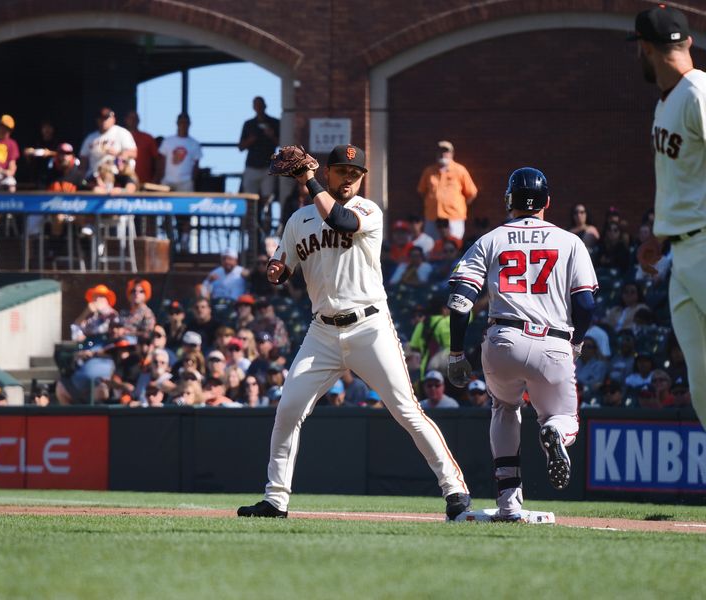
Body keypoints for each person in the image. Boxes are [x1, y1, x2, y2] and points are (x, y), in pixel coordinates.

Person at [237, 144, 470, 520]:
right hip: (321, 332)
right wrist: (276, 270)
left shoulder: (367, 210)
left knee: (407, 410)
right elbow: (282, 264)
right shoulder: (298, 220)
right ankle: (276, 499)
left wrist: (309, 181)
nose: (348, 178)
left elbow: (340, 222)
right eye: (341, 170)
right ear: (328, 172)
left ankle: (455, 489)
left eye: (355, 173)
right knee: (288, 408)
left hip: (369, 326)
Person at [446, 167, 597, 521]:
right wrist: (577, 342)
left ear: (509, 201)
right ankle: (554, 431)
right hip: (553, 341)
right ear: (547, 202)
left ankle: (509, 503)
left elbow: (460, 301)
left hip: (503, 339)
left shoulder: (491, 239)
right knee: (564, 418)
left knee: (504, 408)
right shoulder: (570, 241)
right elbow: (586, 304)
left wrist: (456, 352)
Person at [630, 4, 706, 428]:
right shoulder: (668, 101)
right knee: (703, 387)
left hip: (704, 242)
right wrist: (660, 231)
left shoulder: (698, 93)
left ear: (644, 48)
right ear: (687, 42)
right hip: (681, 252)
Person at [416, 140, 478, 241]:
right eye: (440, 151)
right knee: (431, 246)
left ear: (452, 153)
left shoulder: (460, 170)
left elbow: (472, 192)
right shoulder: (429, 171)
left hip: (454, 217)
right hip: (432, 217)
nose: (443, 154)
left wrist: (460, 205)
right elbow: (422, 191)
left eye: (446, 151)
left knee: (454, 245)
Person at [238, 96, 279, 203]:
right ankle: (250, 219)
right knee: (249, 198)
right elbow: (241, 147)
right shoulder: (249, 124)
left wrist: (271, 135)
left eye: (260, 105)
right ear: (253, 107)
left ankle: (266, 219)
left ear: (265, 106)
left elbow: (283, 144)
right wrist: (251, 140)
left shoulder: (274, 123)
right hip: (252, 165)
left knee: (268, 198)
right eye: (256, 105)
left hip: (268, 166)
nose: (259, 107)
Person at [79, 107, 137, 178]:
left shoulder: (122, 133)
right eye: (101, 118)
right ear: (97, 120)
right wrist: (82, 178)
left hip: (117, 174)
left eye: (106, 118)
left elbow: (134, 153)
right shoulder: (90, 138)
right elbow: (83, 161)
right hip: (95, 175)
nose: (104, 121)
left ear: (113, 119)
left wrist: (118, 153)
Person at [158, 113, 201, 191]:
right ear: (177, 123)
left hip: (186, 182)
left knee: (186, 203)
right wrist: (160, 177)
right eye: (181, 122)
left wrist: (192, 179)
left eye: (186, 123)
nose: (183, 125)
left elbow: (196, 165)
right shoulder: (168, 141)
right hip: (168, 181)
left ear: (189, 124)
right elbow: (161, 161)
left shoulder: (194, 143)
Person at [123, 110, 159, 185]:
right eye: (130, 118)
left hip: (144, 182)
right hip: (123, 182)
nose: (133, 120)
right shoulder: (119, 137)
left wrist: (155, 179)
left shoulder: (147, 138)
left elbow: (157, 160)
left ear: (139, 121)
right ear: (125, 119)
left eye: (135, 118)